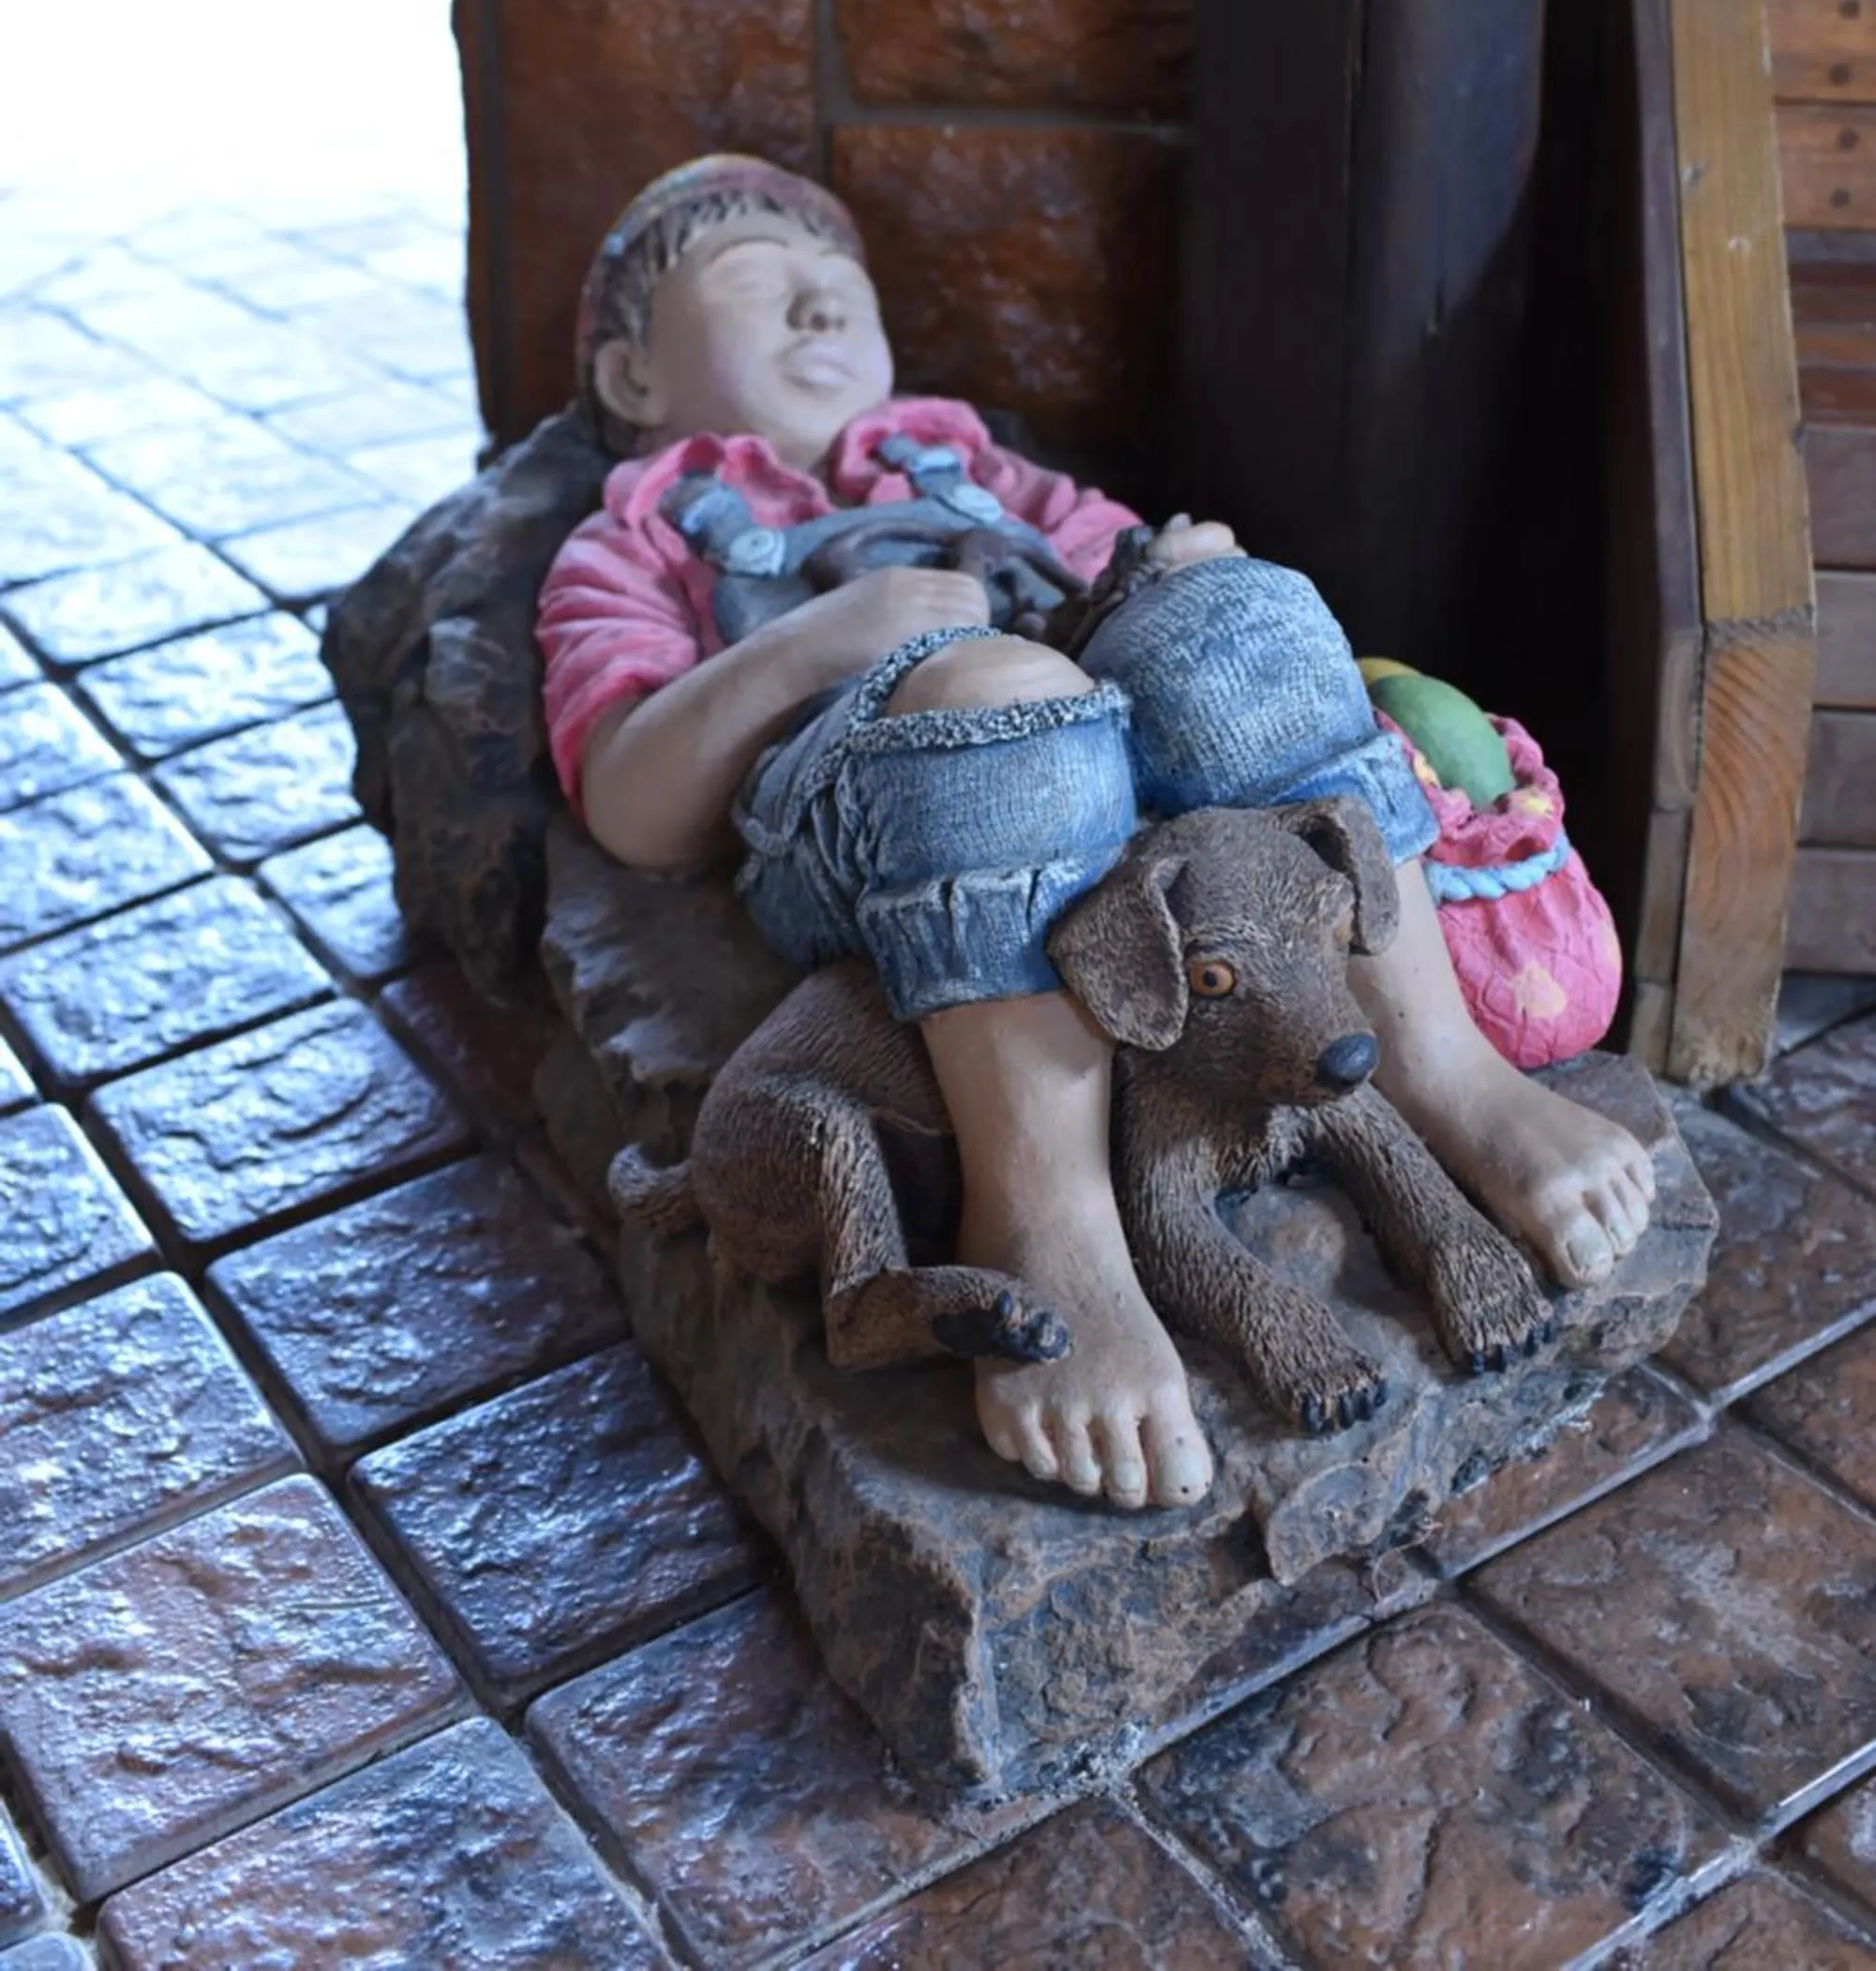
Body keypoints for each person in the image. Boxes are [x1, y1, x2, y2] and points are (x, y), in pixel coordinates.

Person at [538, 155, 1657, 1512]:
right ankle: (1047, 1218)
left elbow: (1142, 567)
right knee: (1000, 687)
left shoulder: (964, 463)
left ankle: (1439, 1065)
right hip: (881, 814)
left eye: (840, 287)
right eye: (758, 286)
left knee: (1240, 615)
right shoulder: (642, 533)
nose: (818, 309)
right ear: (632, 382)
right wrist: (819, 643)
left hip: (1118, 769)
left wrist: (1187, 572)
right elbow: (629, 801)